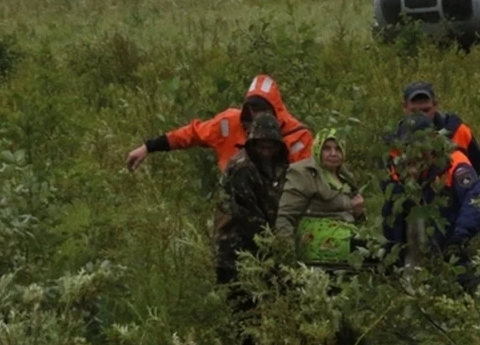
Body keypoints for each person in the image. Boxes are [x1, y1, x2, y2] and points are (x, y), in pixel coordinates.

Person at [381, 114, 480, 291]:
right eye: (407, 146)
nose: (413, 152)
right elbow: (389, 225)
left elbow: (477, 200)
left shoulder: (454, 163)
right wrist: (405, 186)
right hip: (411, 261)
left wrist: (459, 239)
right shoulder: (397, 172)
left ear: (432, 141)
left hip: (454, 254)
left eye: (418, 145)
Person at [125, 73, 313, 172]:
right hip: (234, 208)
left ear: (275, 110)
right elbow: (192, 133)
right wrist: (149, 147)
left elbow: (305, 183)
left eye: (263, 109)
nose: (257, 116)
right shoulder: (229, 123)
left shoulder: (298, 136)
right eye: (253, 109)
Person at [213, 113, 290, 287]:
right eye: (262, 147)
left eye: (271, 147)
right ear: (254, 144)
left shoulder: (277, 167)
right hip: (235, 252)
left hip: (261, 250)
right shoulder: (242, 167)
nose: (266, 152)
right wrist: (275, 245)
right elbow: (248, 217)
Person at [276, 128, 365, 267]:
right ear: (317, 149)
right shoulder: (303, 173)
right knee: (363, 249)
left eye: (338, 149)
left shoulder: (346, 176)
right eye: (327, 149)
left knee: (378, 248)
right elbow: (285, 216)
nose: (333, 153)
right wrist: (288, 258)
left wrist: (359, 213)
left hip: (347, 234)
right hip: (316, 239)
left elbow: (355, 218)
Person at [400, 81, 480, 176]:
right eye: (414, 111)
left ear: (435, 105)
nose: (420, 116)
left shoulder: (457, 130)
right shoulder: (396, 140)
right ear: (404, 108)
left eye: (426, 110)